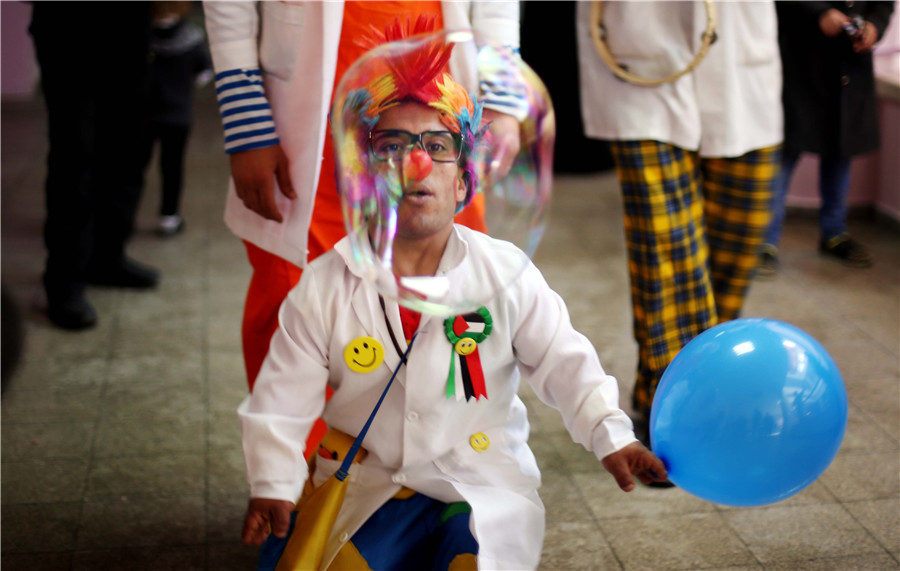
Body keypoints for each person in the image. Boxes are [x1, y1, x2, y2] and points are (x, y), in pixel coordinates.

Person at [238, 36, 668, 570]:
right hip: (368, 484)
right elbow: (282, 400)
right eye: (392, 146)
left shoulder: (505, 274)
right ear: (366, 177)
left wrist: (612, 437)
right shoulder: (325, 285)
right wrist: (275, 483)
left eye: (437, 146)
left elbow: (566, 363)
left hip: (478, 481)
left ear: (464, 180)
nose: (415, 162)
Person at [203, 2, 523, 454]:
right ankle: (298, 491)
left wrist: (504, 97)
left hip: (440, 107)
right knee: (293, 304)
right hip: (313, 122)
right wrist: (247, 122)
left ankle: (433, 485)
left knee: (449, 306)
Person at [575, 2, 784, 445]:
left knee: (741, 239)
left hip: (740, 67)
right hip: (641, 57)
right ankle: (674, 410)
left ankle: (706, 380)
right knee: (667, 245)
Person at [30, 2, 161, 330]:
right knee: (75, 152)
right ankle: (65, 280)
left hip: (130, 19)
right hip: (69, 21)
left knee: (129, 143)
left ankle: (107, 256)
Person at [759, 1, 895, 275]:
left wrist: (873, 28)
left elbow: (883, 6)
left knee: (840, 154)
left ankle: (834, 234)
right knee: (785, 155)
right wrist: (819, 13)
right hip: (802, 64)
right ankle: (764, 242)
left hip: (850, 69)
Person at [142, 1, 213, 237]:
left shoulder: (142, 35)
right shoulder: (191, 38)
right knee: (172, 167)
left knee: (133, 166)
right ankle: (169, 217)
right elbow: (203, 73)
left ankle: (122, 213)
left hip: (145, 113)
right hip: (177, 115)